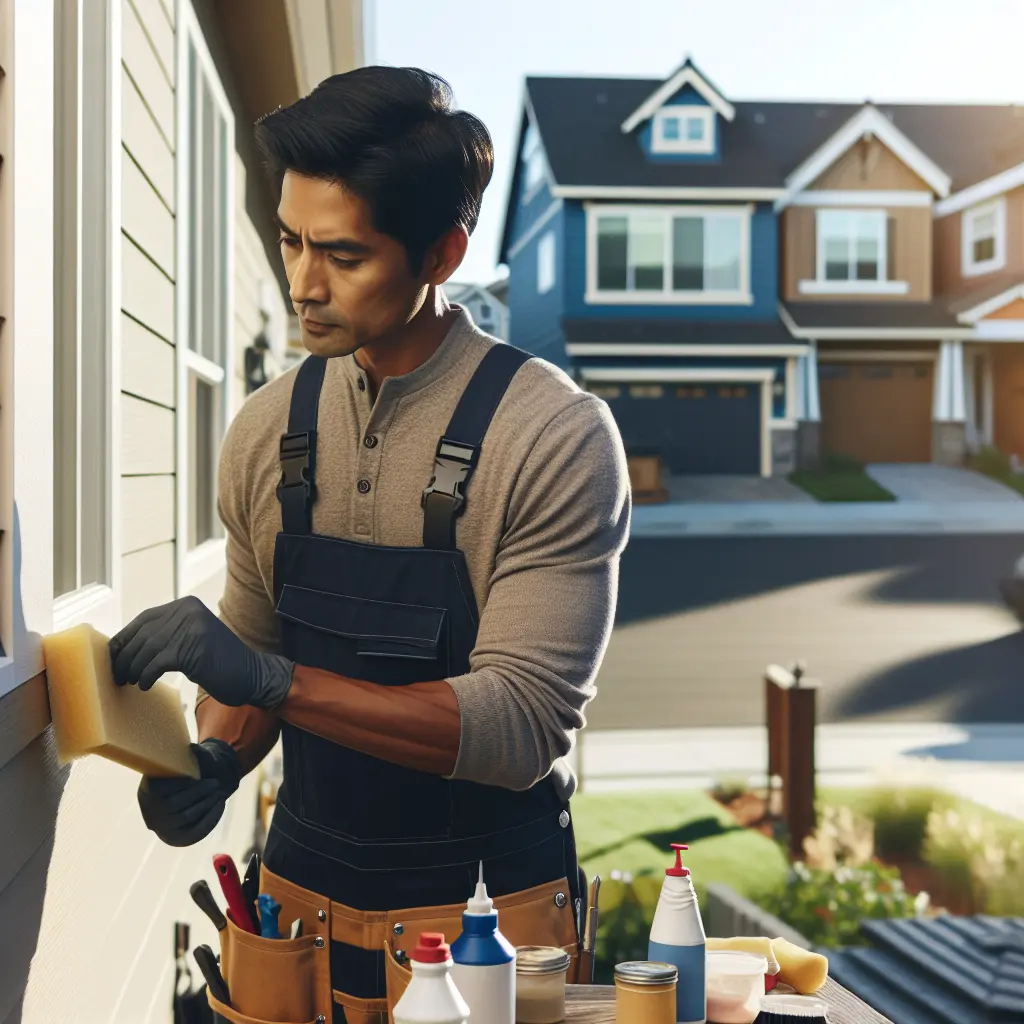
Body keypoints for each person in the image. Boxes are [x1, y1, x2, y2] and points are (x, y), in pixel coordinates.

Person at [109, 65, 630, 1023]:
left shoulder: (553, 436)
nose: (302, 285)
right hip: (298, 908)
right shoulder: (265, 433)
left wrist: (272, 683)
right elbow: (251, 652)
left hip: (486, 925)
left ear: (442, 251)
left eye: (342, 255)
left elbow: (518, 726)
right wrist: (218, 758)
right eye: (289, 241)